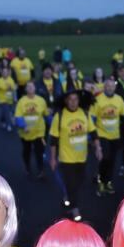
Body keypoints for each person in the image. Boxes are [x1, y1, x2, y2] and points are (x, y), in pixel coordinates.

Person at [50, 89, 100, 221]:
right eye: (70, 99)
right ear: (66, 101)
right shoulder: (59, 116)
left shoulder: (84, 113)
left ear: (79, 101)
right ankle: (75, 209)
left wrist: (98, 148)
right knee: (71, 184)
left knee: (80, 182)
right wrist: (53, 158)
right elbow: (53, 139)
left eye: (75, 99)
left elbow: (93, 132)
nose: (73, 102)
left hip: (82, 157)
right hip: (66, 158)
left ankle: (68, 196)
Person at [90, 79, 124, 196]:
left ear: (114, 88)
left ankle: (108, 181)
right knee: (105, 158)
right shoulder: (98, 100)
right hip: (102, 134)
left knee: (113, 160)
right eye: (107, 86)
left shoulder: (119, 100)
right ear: (104, 87)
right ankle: (101, 182)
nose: (110, 88)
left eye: (112, 86)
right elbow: (92, 119)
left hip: (115, 136)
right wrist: (92, 137)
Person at [14, 81, 49, 179]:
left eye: (32, 86)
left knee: (39, 150)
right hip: (26, 132)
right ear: (25, 89)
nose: (30, 88)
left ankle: (41, 170)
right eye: (28, 87)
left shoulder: (41, 100)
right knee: (27, 150)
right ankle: (27, 167)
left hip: (39, 132)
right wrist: (23, 126)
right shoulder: (21, 101)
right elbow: (18, 116)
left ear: (35, 88)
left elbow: (46, 114)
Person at [0, 66, 17, 132]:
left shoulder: (11, 80)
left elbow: (14, 90)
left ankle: (2, 120)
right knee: (7, 112)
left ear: (8, 73)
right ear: (1, 73)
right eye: (4, 72)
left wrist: (15, 98)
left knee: (5, 112)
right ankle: (9, 125)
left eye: (6, 72)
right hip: (2, 100)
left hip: (9, 99)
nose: (5, 73)